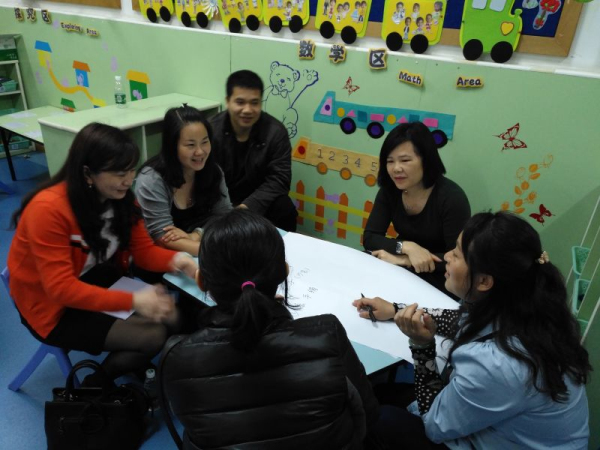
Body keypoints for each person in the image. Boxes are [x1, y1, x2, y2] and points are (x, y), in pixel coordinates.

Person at [355, 212, 591, 449]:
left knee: (379, 420)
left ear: (484, 281)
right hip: (508, 428)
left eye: (457, 254)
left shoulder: (498, 364)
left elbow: (435, 427)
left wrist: (422, 346)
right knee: (381, 393)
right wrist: (395, 309)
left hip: (494, 438)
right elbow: (462, 320)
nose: (447, 256)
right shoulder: (525, 308)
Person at [161, 209, 379, 448]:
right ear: (284, 271)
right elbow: (367, 415)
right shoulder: (327, 335)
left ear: (201, 280)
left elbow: (195, 436)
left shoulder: (179, 357)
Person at [8, 123, 197, 382]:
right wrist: (133, 301)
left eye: (131, 169)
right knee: (153, 335)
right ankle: (96, 385)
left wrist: (181, 261)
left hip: (92, 279)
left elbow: (143, 252)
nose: (128, 180)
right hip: (51, 307)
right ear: (88, 173)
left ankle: (134, 365)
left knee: (172, 317)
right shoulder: (48, 210)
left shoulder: (120, 198)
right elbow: (60, 289)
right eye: (119, 173)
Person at [363, 122, 470, 296]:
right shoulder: (390, 190)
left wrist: (404, 260)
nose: (396, 168)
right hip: (398, 264)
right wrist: (407, 247)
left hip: (439, 275)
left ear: (426, 160)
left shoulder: (452, 198)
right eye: (390, 161)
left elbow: (459, 260)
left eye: (405, 160)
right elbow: (370, 238)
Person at [135, 105, 231, 257]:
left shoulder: (213, 171)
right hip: (167, 258)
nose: (200, 151)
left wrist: (197, 234)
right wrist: (215, 252)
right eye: (190, 145)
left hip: (203, 247)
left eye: (205, 142)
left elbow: (225, 217)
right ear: (172, 146)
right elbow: (162, 238)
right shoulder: (152, 179)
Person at [209, 70, 298, 231]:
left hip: (258, 201)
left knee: (284, 207)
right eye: (240, 102)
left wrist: (245, 208)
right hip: (220, 201)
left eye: (254, 103)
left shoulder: (275, 132)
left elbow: (279, 180)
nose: (248, 110)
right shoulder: (211, 130)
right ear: (228, 101)